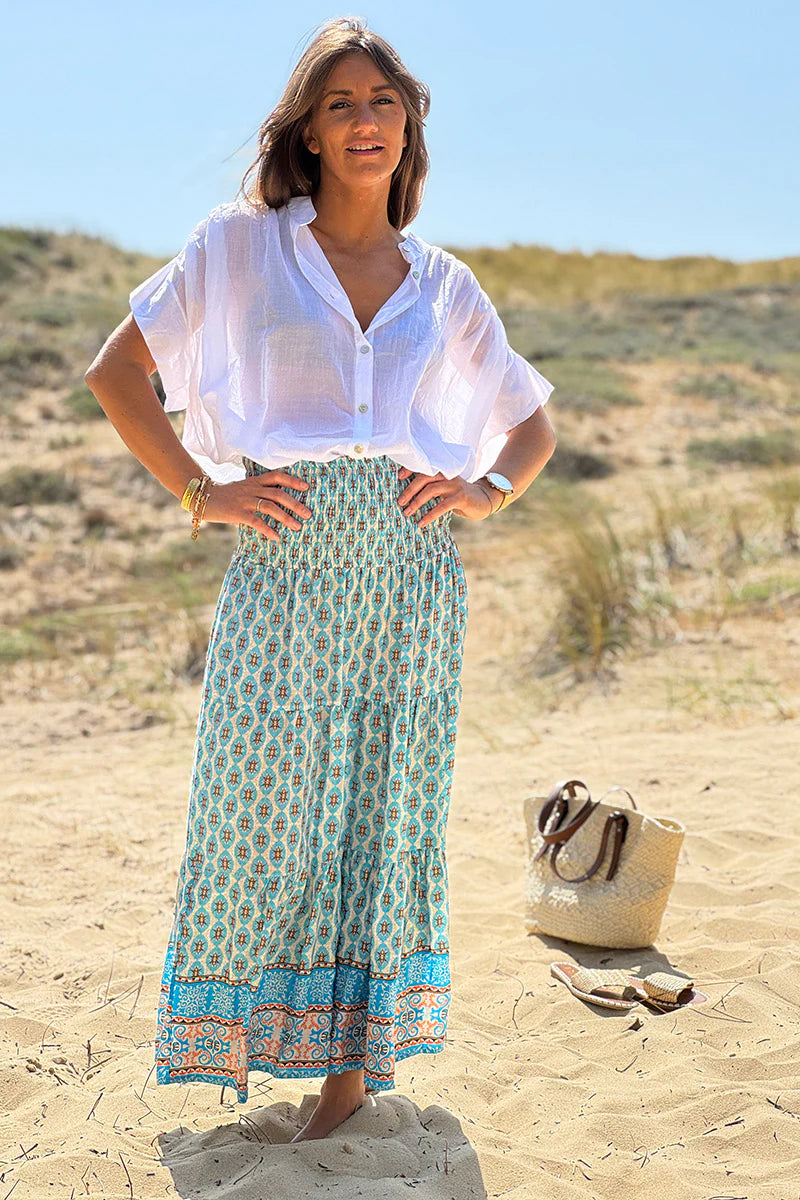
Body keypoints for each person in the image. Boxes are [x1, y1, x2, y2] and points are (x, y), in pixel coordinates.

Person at [84, 16, 556, 1141]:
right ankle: (244, 1037)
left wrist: (486, 491)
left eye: (381, 102)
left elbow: (530, 425)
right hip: (286, 565)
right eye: (339, 103)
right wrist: (201, 493)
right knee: (258, 811)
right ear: (306, 129)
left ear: (409, 126)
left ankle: (349, 1079)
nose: (363, 121)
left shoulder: (442, 283)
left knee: (381, 819)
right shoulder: (240, 248)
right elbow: (116, 373)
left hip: (408, 577)